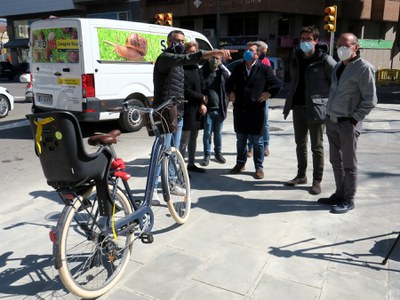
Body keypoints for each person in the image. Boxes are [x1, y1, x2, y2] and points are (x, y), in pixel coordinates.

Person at [151, 30, 235, 204]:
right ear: (168, 42)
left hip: (178, 112)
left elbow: (184, 84)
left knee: (175, 152)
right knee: (162, 152)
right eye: (176, 41)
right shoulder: (165, 58)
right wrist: (212, 52)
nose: (180, 44)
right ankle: (152, 190)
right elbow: (187, 58)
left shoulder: (180, 65)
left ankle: (172, 183)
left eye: (182, 40)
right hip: (165, 113)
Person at [318, 33, 377, 214]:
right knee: (336, 160)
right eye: (339, 44)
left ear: (355, 47)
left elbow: (370, 99)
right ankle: (339, 193)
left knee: (349, 164)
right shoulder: (337, 66)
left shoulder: (364, 68)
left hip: (348, 124)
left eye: (346, 45)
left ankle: (349, 199)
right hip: (332, 120)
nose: (341, 48)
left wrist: (354, 118)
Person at [283, 25, 336, 195]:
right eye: (302, 39)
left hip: (316, 109)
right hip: (298, 107)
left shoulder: (325, 60)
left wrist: (329, 104)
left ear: (316, 41)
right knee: (300, 144)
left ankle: (316, 180)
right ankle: (301, 175)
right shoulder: (295, 58)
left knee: (317, 147)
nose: (305, 42)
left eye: (308, 39)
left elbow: (337, 83)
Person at [226, 41, 282, 179]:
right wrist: (230, 93)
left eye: (251, 50)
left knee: (258, 142)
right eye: (246, 49)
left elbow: (277, 84)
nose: (247, 52)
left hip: (256, 111)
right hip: (240, 110)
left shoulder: (264, 69)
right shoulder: (238, 68)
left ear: (257, 54)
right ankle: (240, 163)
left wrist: (268, 93)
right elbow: (228, 84)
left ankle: (259, 167)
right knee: (241, 140)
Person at [179, 41, 207, 173]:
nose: (193, 55)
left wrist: (203, 103)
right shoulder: (182, 69)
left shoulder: (197, 69)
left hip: (197, 109)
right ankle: (181, 169)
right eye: (190, 53)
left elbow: (203, 86)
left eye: (195, 53)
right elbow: (185, 90)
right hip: (187, 109)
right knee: (184, 140)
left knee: (194, 139)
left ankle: (191, 164)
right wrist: (201, 98)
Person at [200, 53, 231, 166]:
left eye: (218, 58)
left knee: (218, 134)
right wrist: (201, 103)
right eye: (213, 57)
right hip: (208, 109)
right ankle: (206, 155)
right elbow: (199, 89)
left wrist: (222, 65)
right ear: (209, 58)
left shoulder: (222, 73)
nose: (215, 60)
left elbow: (230, 79)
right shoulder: (203, 72)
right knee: (207, 134)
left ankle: (218, 154)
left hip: (220, 108)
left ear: (221, 60)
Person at [247, 40, 272, 158]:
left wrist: (267, 93)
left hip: (262, 97)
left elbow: (271, 80)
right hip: (250, 98)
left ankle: (266, 145)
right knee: (249, 122)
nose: (265, 54)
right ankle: (250, 147)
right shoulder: (248, 62)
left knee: (265, 122)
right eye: (264, 51)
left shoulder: (266, 62)